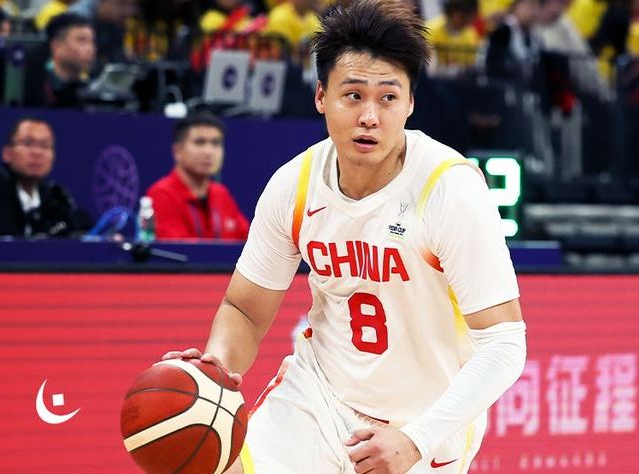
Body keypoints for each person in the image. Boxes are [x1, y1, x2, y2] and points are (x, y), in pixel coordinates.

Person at [163, 0, 526, 473]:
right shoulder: (294, 185)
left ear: (410, 104)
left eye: (388, 98)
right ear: (321, 96)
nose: (370, 116)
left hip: (425, 422)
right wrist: (216, 365)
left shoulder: (448, 189)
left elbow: (504, 343)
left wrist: (416, 439)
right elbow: (245, 309)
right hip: (318, 398)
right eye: (353, 95)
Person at [146, 113, 250, 240]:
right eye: (199, 142)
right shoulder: (162, 194)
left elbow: (249, 240)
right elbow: (178, 249)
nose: (208, 152)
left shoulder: (221, 194)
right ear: (177, 151)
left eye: (216, 143)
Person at [0, 117, 90, 238]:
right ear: (7, 153)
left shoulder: (54, 198)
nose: (37, 152)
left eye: (45, 145)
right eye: (28, 143)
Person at [44, 13, 96, 108]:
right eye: (82, 41)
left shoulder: (89, 91)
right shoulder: (36, 89)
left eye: (92, 42)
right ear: (57, 46)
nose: (90, 49)